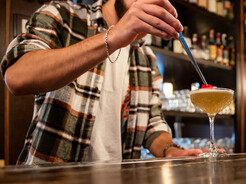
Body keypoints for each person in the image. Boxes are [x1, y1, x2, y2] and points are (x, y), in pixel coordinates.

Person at [1, 0, 207, 165]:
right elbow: (17, 78)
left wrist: (169, 151)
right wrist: (114, 36)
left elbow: (152, 124)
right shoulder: (61, 14)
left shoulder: (145, 55)